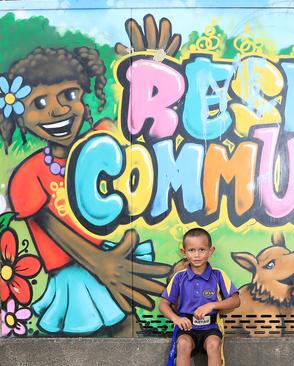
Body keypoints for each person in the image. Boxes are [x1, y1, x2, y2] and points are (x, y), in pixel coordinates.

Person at [2, 46, 169, 335]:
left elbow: (141, 130)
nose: (58, 110)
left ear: (84, 98)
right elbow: (50, 228)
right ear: (20, 118)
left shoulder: (101, 140)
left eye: (69, 95)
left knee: (129, 328)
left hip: (110, 258)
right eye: (38, 103)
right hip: (74, 272)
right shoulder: (30, 175)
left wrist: (152, 64)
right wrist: (101, 264)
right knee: (81, 336)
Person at [159, 228, 241, 366]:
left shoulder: (218, 275)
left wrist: (212, 305)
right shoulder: (179, 277)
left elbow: (236, 300)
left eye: (202, 250)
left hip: (211, 327)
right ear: (184, 252)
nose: (196, 255)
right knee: (183, 344)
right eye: (191, 250)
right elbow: (163, 304)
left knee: (214, 344)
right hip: (187, 329)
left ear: (211, 251)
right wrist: (176, 318)